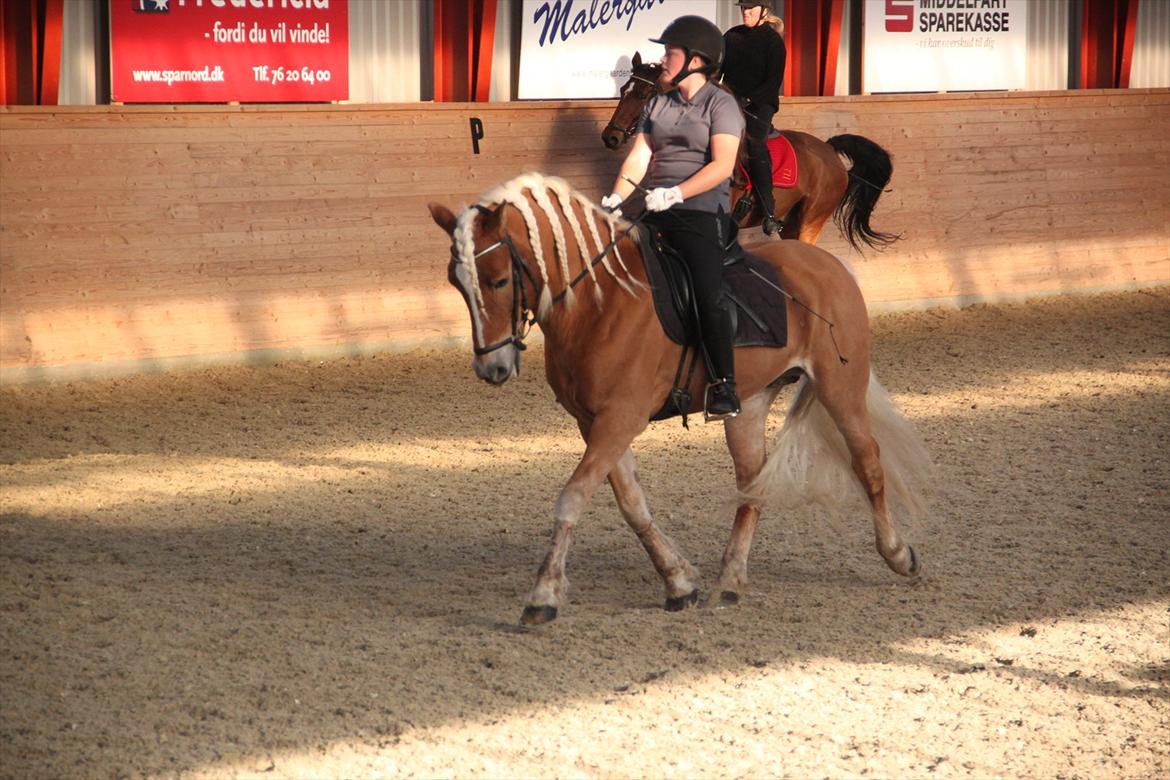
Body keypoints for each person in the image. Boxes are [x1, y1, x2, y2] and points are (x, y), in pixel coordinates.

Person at [601, 15, 745, 419]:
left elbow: (723, 165)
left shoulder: (722, 105)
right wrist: (616, 197)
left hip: (700, 213)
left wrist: (678, 192)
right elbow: (639, 157)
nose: (664, 60)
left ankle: (724, 385)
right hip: (654, 210)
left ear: (696, 60)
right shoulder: (658, 104)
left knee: (707, 293)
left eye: (671, 53)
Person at [721, 0, 787, 235]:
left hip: (760, 105)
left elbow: (773, 83)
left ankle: (769, 212)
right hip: (730, 102)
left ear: (763, 11)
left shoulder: (773, 42)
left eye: (750, 9)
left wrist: (747, 101)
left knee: (754, 143)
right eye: (743, 9)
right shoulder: (731, 36)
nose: (746, 12)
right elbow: (718, 73)